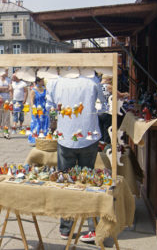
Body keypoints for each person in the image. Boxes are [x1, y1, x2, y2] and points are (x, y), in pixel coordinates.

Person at [46, 76, 106, 241]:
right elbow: (103, 107)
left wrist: (62, 112)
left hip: (66, 136)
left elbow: (49, 108)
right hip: (88, 136)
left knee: (66, 183)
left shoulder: (55, 81)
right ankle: (93, 225)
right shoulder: (93, 81)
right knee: (88, 182)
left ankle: (66, 227)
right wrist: (88, 111)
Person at [28, 77, 49, 144]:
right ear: (38, 82)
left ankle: (43, 137)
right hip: (37, 109)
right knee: (36, 123)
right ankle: (35, 138)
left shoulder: (45, 89)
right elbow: (31, 100)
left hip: (44, 110)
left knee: (44, 123)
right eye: (42, 81)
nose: (43, 82)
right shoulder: (33, 90)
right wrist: (33, 108)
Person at [0, 69, 11, 138]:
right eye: (6, 71)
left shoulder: (8, 79)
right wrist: (6, 88)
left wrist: (4, 88)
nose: (7, 72)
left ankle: (6, 132)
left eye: (7, 71)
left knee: (6, 117)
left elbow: (10, 88)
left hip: (7, 99)